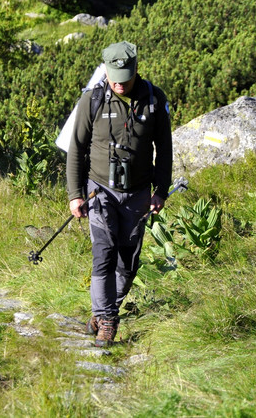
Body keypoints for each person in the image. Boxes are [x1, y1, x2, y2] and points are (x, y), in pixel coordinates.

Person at [66, 40, 173, 347]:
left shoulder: (154, 99)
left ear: (136, 69)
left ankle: (101, 312)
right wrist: (76, 194)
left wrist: (161, 191)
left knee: (128, 262)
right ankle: (109, 320)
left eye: (125, 77)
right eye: (115, 77)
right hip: (99, 191)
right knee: (104, 253)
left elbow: (164, 149)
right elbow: (76, 150)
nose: (119, 83)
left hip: (138, 193)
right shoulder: (93, 100)